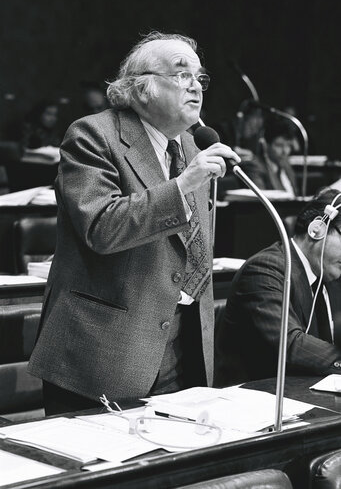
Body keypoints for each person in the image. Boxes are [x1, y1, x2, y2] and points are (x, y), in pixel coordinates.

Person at [28, 31, 240, 415]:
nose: (195, 85)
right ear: (141, 88)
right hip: (102, 355)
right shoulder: (93, 135)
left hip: (182, 345)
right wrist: (184, 184)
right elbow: (102, 227)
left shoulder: (192, 147)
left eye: (199, 77)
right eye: (180, 74)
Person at [214, 188, 341, 387]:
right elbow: (291, 344)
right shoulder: (265, 269)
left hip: (306, 393)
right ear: (317, 229)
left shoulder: (330, 272)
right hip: (256, 400)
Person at [241, 118, 298, 196]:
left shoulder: (286, 164)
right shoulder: (255, 167)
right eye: (279, 145)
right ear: (265, 145)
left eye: (288, 145)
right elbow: (260, 202)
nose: (285, 151)